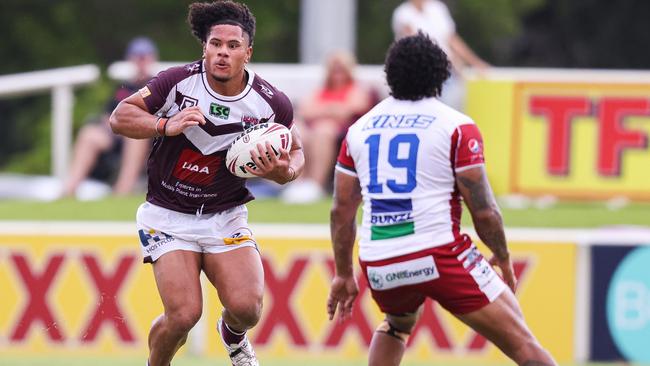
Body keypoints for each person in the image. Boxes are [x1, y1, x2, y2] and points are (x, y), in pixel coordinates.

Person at [327, 32, 556, 366]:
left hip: (380, 259)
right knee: (522, 343)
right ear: (441, 75)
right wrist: (503, 256)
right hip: (439, 251)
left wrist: (344, 273)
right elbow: (485, 212)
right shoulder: (457, 126)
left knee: (397, 324)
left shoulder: (360, 129)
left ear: (390, 76)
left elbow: (341, 212)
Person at [109, 2, 304, 365]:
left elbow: (296, 153)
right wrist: (165, 124)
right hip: (167, 215)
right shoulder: (176, 82)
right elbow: (121, 117)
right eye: (216, 44)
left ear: (248, 53)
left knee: (247, 308)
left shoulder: (271, 102)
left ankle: (233, 336)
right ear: (205, 47)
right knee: (183, 316)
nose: (222, 53)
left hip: (225, 216)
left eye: (232, 46)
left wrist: (282, 172)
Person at [62, 36, 158, 198]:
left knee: (136, 137)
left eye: (145, 57)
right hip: (117, 134)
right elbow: (108, 115)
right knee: (89, 134)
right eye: (138, 57)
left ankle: (121, 192)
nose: (141, 61)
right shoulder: (122, 88)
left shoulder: (158, 85)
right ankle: (68, 191)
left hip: (145, 138)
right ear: (131, 59)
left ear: (152, 59)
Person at [280, 50, 373, 204]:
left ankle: (316, 184)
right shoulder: (321, 91)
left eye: (341, 69)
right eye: (334, 70)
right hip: (315, 130)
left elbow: (351, 109)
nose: (337, 74)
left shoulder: (356, 89)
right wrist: (331, 109)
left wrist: (323, 111)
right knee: (298, 131)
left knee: (324, 130)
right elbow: (304, 109)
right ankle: (297, 181)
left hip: (338, 133)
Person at [392, 0, 490, 110]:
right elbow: (414, 46)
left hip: (447, 71)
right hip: (420, 74)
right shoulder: (403, 14)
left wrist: (474, 62)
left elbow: (452, 39)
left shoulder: (438, 8)